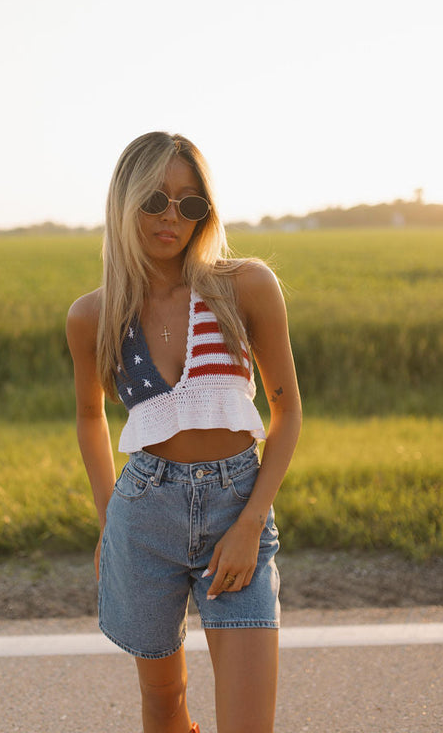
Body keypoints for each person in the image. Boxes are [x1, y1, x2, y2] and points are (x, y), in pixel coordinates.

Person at [66, 132, 302, 733]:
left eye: (189, 203)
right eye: (155, 200)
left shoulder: (244, 286)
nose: (172, 217)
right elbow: (91, 416)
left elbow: (287, 413)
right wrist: (107, 519)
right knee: (165, 709)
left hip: (236, 505)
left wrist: (251, 521)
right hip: (143, 514)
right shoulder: (94, 315)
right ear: (126, 201)